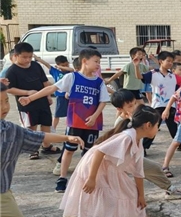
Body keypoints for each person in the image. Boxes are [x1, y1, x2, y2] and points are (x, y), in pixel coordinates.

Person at [1, 81, 85, 217]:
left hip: (2, 190)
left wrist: (66, 138)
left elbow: (39, 137)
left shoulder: (10, 130)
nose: (5, 107)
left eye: (6, 101)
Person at [60, 105, 163, 217]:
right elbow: (99, 152)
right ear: (148, 125)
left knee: (132, 194)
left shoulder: (138, 141)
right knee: (107, 201)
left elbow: (138, 172)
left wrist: (141, 195)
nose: (157, 129)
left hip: (111, 168)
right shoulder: (126, 137)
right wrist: (91, 178)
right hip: (96, 168)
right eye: (157, 126)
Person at [20, 48, 110, 193]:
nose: (98, 65)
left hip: (92, 124)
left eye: (99, 62)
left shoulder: (99, 82)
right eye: (96, 61)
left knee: (88, 153)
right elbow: (50, 89)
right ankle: (62, 178)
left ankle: (84, 177)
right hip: (75, 122)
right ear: (85, 61)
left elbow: (103, 101)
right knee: (68, 150)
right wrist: (30, 98)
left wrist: (94, 116)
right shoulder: (72, 78)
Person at [111, 89, 181, 200]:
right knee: (140, 174)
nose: (133, 108)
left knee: (152, 169)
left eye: (134, 104)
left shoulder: (135, 117)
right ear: (119, 109)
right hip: (127, 157)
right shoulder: (121, 123)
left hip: (135, 155)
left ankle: (169, 189)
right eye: (129, 106)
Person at [5, 42, 60, 159]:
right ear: (16, 55)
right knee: (31, 127)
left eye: (30, 57)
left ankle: (46, 146)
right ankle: (32, 149)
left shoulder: (36, 66)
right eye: (24, 57)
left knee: (46, 124)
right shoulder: (12, 71)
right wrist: (27, 92)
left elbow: (45, 83)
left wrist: (49, 95)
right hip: (26, 104)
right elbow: (9, 89)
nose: (28, 60)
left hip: (42, 102)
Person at [140, 51, 181, 154]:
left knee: (173, 127)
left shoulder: (173, 76)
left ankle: (180, 145)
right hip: (157, 105)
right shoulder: (153, 74)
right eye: (168, 61)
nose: (170, 63)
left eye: (172, 61)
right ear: (160, 61)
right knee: (154, 127)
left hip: (171, 105)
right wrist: (136, 65)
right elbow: (140, 77)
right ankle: (143, 148)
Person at [33, 54, 74, 133]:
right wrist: (37, 58)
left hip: (69, 96)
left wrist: (61, 67)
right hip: (60, 96)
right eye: (63, 65)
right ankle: (53, 128)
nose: (65, 66)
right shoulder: (55, 71)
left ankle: (70, 127)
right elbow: (46, 64)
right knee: (57, 114)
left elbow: (72, 69)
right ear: (58, 65)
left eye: (66, 64)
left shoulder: (69, 72)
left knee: (70, 113)